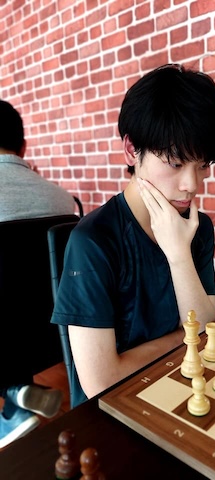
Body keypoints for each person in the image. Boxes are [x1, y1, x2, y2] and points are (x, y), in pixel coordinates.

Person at [51, 64, 215, 408]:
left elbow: (206, 331)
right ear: (132, 150)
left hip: (180, 390)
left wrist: (179, 254)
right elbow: (100, 382)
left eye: (203, 165)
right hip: (110, 416)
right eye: (177, 163)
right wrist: (182, 339)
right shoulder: (93, 241)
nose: (192, 184)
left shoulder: (197, 227)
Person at [0, 99, 77, 449]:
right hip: (53, 336)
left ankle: (10, 415)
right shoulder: (64, 202)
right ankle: (17, 394)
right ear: (23, 145)